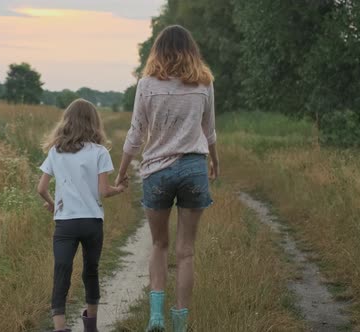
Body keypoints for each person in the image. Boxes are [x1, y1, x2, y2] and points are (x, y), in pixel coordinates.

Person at [115, 25, 219, 332]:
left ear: (157, 50)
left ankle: (156, 317)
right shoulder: (204, 82)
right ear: (191, 50)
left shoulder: (146, 84)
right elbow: (209, 129)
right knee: (186, 251)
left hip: (157, 172)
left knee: (159, 244)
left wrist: (121, 171)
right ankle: (180, 325)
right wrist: (214, 161)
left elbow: (136, 134)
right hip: (193, 168)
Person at [37, 99, 128, 332]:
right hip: (91, 222)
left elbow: (41, 188)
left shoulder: (56, 152)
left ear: (66, 121)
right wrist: (119, 189)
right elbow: (104, 191)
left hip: (65, 223)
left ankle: (60, 327)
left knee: (62, 270)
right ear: (93, 122)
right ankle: (91, 327)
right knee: (91, 270)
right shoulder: (99, 152)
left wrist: (52, 205)